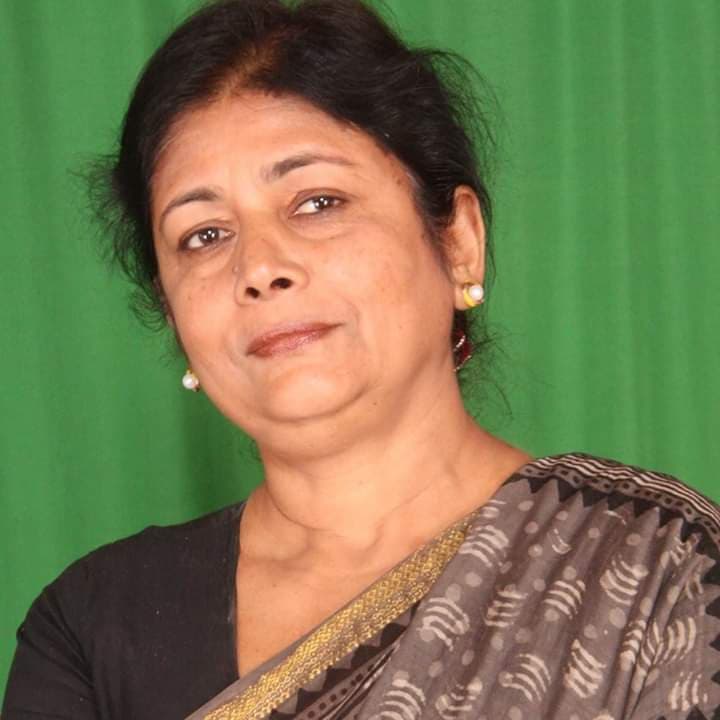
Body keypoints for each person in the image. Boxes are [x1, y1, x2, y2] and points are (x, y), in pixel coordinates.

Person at [3, 0, 719, 718]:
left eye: (317, 202)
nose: (260, 267)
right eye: (204, 235)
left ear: (459, 242)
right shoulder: (91, 626)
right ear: (172, 312)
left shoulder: (661, 574)